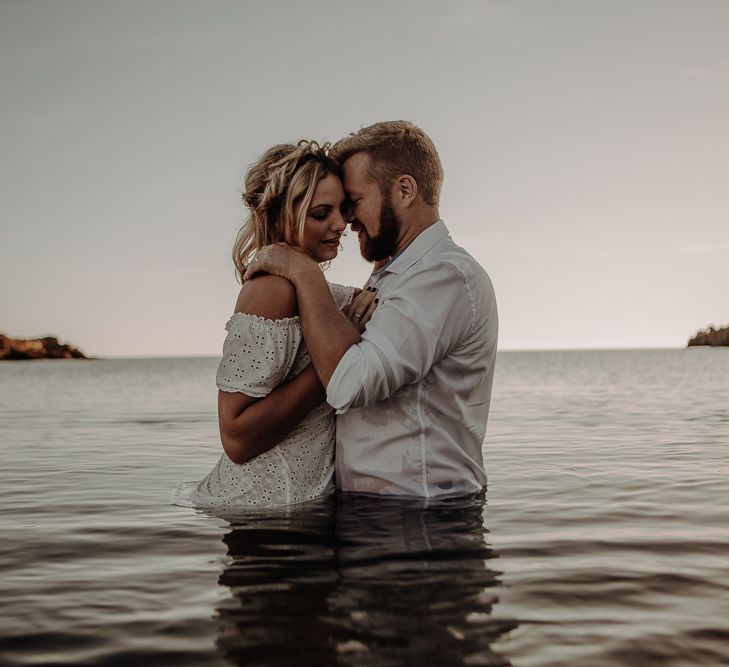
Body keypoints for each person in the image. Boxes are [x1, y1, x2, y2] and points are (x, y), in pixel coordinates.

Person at [245, 121, 499, 498]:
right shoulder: (397, 274)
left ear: (404, 190)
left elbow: (349, 384)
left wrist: (303, 271)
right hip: (374, 516)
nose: (346, 221)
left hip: (423, 519)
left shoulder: (443, 276)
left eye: (356, 202)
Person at [173, 140, 377, 508]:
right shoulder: (270, 292)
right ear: (279, 216)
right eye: (320, 213)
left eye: (342, 209)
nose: (340, 224)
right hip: (259, 511)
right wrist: (333, 357)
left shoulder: (314, 287)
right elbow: (236, 438)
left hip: (297, 510)